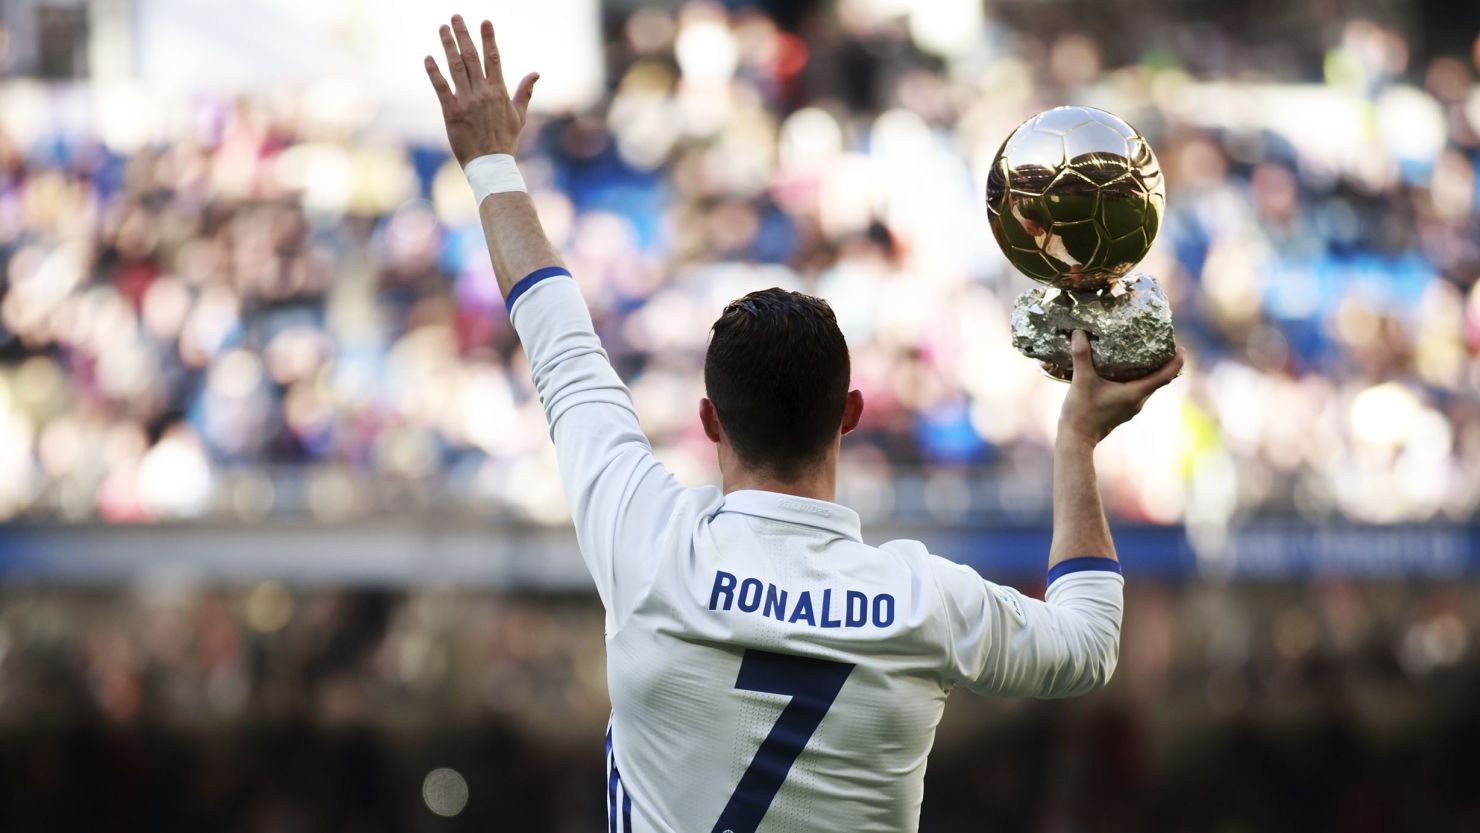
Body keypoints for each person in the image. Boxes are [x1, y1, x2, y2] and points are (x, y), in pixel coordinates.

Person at [424, 15, 1185, 833]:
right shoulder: (921, 599)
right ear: (850, 415)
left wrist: (491, 160)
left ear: (709, 420)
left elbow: (557, 333)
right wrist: (1077, 438)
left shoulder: (647, 541)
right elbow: (1088, 644)